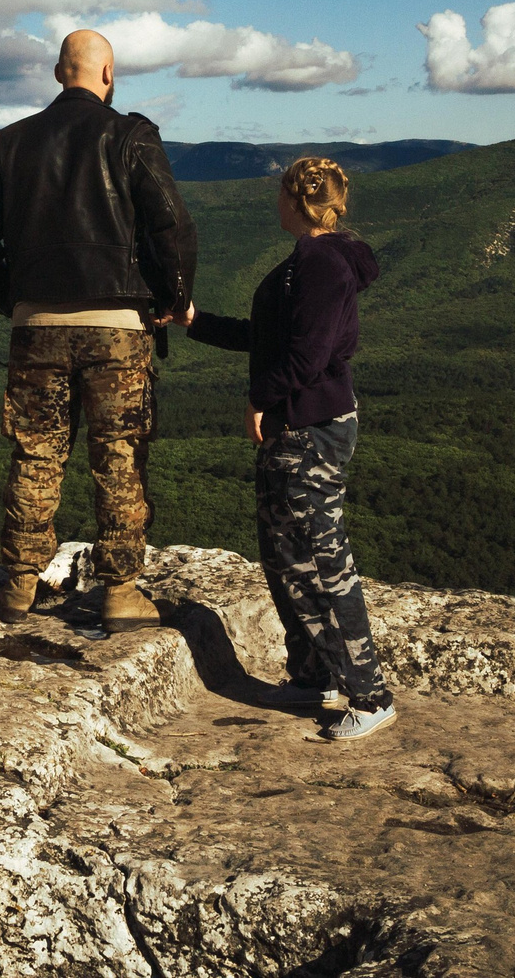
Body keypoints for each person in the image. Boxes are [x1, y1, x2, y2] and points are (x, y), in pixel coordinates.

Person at [0, 29, 198, 631]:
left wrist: (12, 298)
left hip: (35, 324)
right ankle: (120, 592)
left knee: (36, 451)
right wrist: (172, 299)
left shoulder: (9, 142)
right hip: (117, 325)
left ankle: (19, 584)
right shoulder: (131, 136)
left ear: (57, 73)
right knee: (119, 453)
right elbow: (171, 224)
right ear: (108, 74)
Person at [175, 156, 394, 740]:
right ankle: (315, 675)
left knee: (322, 559)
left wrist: (259, 399)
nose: (274, 202)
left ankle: (369, 695)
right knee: (283, 554)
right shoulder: (309, 261)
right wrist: (194, 321)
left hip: (310, 427)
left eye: (279, 193)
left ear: (295, 201)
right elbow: (269, 338)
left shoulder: (322, 264)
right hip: (297, 425)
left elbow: (308, 356)